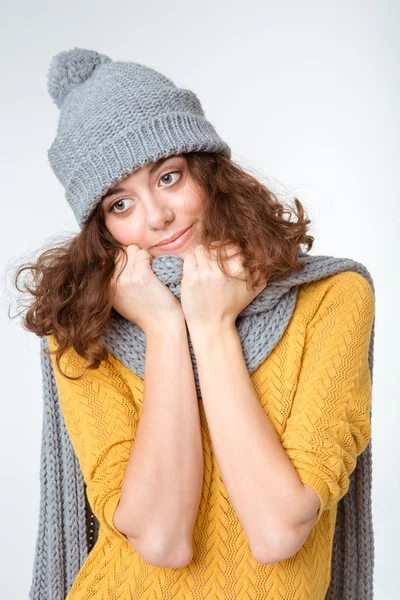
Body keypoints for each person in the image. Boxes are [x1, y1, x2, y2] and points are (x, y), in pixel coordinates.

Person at [12, 47, 376, 600]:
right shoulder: (82, 336)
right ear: (101, 229)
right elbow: (161, 541)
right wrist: (164, 330)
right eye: (120, 204)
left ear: (208, 172)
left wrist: (211, 325)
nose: (157, 216)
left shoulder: (331, 298)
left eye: (169, 176)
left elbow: (280, 530)